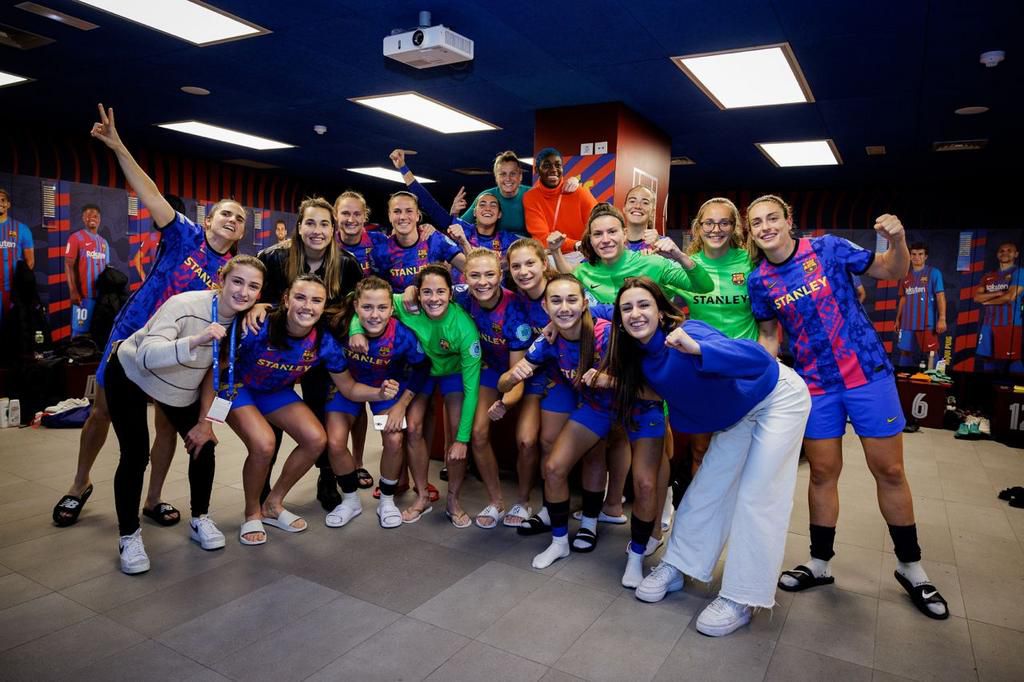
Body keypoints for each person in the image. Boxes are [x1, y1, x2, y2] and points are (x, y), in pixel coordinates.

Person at [745, 194, 949, 620]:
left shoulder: (828, 248)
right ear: (751, 231)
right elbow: (769, 336)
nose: (765, 227)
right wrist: (760, 382)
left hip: (868, 374)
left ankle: (910, 567)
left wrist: (898, 240)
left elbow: (892, 270)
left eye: (772, 218)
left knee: (890, 471)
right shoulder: (760, 280)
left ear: (788, 220)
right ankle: (819, 563)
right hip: (815, 385)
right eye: (757, 222)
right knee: (822, 473)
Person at [53, 104, 247, 529]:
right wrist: (118, 146)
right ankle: (79, 483)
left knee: (165, 426)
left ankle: (154, 497)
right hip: (130, 334)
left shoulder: (231, 273)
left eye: (240, 219)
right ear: (209, 219)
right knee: (102, 411)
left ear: (241, 233)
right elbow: (150, 192)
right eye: (226, 213)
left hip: (178, 349)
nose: (232, 220)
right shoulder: (182, 234)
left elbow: (247, 306)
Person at [609, 277, 810, 636]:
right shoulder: (639, 359)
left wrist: (698, 349)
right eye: (627, 308)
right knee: (707, 488)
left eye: (644, 305)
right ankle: (679, 563)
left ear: (660, 311)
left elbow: (758, 360)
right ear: (620, 319)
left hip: (776, 395)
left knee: (757, 496)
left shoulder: (690, 331)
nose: (636, 313)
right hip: (738, 414)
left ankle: (742, 596)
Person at [106, 254, 266, 573]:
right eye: (237, 281)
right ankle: (129, 535)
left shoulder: (244, 325)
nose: (244, 292)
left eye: (253, 287)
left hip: (179, 387)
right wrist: (197, 340)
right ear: (221, 279)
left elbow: (215, 375)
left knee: (203, 444)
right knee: (135, 455)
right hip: (131, 374)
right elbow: (147, 355)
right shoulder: (185, 304)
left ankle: (200, 518)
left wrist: (206, 422)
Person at [499, 274, 665, 570]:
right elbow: (504, 383)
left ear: (585, 303)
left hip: (639, 410)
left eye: (572, 300)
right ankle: (559, 542)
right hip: (597, 409)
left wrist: (608, 380)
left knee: (645, 483)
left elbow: (656, 391)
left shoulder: (611, 334)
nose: (564, 308)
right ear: (545, 307)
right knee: (554, 467)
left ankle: (636, 557)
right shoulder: (548, 340)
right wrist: (512, 376)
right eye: (556, 301)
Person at [227, 275, 393, 545]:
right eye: (300, 298)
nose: (307, 306)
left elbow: (349, 388)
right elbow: (217, 362)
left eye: (316, 300)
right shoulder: (259, 323)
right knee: (264, 444)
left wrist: (379, 393)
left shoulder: (324, 342)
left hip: (274, 391)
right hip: (236, 386)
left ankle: (273, 504)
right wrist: (205, 419)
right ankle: (252, 513)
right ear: (286, 299)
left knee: (316, 440)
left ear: (324, 306)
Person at [249, 197, 363, 510]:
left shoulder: (347, 264)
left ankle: (326, 477)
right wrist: (260, 304)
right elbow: (250, 296)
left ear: (333, 229)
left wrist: (354, 330)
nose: (317, 230)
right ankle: (263, 483)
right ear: (299, 227)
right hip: (279, 350)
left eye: (324, 224)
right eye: (310, 222)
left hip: (322, 352)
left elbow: (357, 308)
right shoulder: (272, 257)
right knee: (271, 419)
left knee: (322, 412)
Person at [349, 265, 482, 526]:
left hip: (454, 373)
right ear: (417, 294)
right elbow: (363, 304)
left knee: (458, 431)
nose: (434, 298)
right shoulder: (404, 304)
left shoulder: (464, 328)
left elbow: (471, 390)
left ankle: (453, 500)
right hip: (422, 372)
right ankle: (422, 496)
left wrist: (463, 440)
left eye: (441, 292)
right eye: (427, 292)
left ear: (451, 293)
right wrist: (355, 329)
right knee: (413, 428)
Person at [326, 277, 428, 528]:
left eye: (382, 307)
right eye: (367, 307)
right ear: (356, 306)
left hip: (388, 389)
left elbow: (421, 368)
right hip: (347, 385)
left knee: (394, 439)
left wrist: (401, 405)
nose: (374, 315)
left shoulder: (402, 335)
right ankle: (350, 501)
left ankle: (387, 501)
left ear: (392, 309)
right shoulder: (338, 327)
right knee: (335, 442)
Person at [679, 197, 758, 476]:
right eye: (709, 223)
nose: (716, 229)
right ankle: (701, 504)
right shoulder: (686, 265)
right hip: (704, 367)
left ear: (734, 227)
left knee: (744, 451)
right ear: (698, 227)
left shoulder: (750, 261)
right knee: (701, 449)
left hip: (744, 368)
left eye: (724, 222)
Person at [457, 248, 535, 527]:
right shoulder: (461, 297)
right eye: (475, 275)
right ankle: (496, 501)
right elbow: (427, 292)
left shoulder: (515, 310)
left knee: (526, 440)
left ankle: (524, 501)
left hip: (523, 372)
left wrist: (505, 402)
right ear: (465, 277)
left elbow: (517, 374)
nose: (482, 282)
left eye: (489, 274)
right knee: (477, 433)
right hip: (489, 371)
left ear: (501, 275)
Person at [502, 238, 572, 529]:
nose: (523, 271)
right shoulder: (515, 304)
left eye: (530, 263)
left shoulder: (563, 291)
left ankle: (552, 505)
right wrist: (505, 398)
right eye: (516, 266)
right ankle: (523, 500)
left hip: (568, 375)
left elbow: (596, 318)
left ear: (544, 263)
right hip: (535, 374)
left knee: (549, 442)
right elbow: (517, 365)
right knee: (526, 440)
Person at [556, 203, 713, 304]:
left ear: (625, 234)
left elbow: (704, 287)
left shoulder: (653, 263)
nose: (605, 240)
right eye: (598, 234)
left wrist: (680, 256)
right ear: (590, 239)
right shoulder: (582, 272)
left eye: (612, 232)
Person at [333, 189, 384, 487]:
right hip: (338, 330)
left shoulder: (379, 242)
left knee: (369, 397)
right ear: (336, 215)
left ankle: (362, 461)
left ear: (365, 217)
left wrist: (428, 228)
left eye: (357, 214)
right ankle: (340, 465)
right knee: (346, 397)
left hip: (376, 330)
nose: (351, 219)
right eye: (345, 213)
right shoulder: (326, 242)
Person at [523, 148, 598, 254]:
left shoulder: (580, 192)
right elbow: (541, 237)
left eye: (558, 165)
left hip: (582, 253)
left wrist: (584, 246)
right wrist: (576, 245)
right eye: (546, 166)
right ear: (537, 170)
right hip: (552, 254)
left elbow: (598, 224)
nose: (553, 170)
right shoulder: (531, 197)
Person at [973, 242, 1024, 373]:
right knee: (988, 359)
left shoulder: (1019, 272)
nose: (1005, 253)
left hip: (1010, 324)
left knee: (1013, 360)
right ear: (997, 254)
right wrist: (997, 293)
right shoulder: (988, 276)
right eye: (1002, 250)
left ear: (1016, 254)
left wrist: (987, 301)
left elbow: (1010, 297)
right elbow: (977, 297)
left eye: (1009, 250)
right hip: (988, 324)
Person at [895, 242, 946, 368]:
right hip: (907, 323)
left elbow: (940, 296)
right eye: (913, 254)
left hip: (927, 322)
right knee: (905, 351)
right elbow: (903, 298)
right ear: (910, 256)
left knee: (932, 353)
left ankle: (933, 378)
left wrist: (942, 318)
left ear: (925, 256)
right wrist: (898, 319)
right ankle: (903, 377)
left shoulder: (934, 273)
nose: (916, 257)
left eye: (920, 254)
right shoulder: (905, 276)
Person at [65, 203, 110, 336]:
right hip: (83, 297)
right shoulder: (76, 238)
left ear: (99, 219)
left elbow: (107, 268)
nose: (92, 218)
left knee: (98, 332)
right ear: (83, 218)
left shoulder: (104, 243)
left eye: (95, 216)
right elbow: (68, 265)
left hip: (101, 298)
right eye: (88, 215)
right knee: (79, 333)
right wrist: (73, 291)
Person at [0, 188, 34, 324]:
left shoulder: (22, 229)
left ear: (8, 204)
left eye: (3, 200)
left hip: (14, 292)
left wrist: (20, 287)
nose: (0, 203)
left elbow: (30, 262)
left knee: (13, 330)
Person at [622, 185, 660, 254]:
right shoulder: (612, 241)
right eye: (632, 201)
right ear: (624, 208)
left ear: (652, 212)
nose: (637, 206)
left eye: (645, 203)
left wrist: (659, 251)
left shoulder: (662, 244)